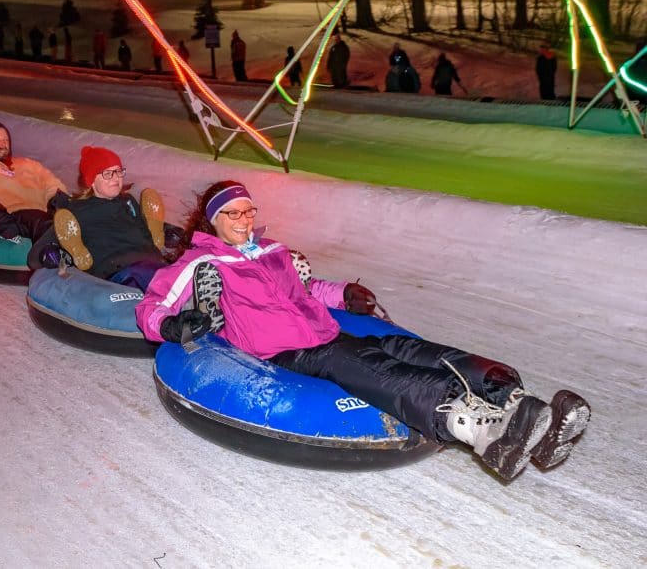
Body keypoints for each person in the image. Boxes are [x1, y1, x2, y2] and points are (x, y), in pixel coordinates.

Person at [136, 181, 590, 481]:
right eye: (232, 213)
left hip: (323, 330)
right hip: (284, 351)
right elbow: (153, 305)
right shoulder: (204, 261)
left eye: (247, 210)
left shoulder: (271, 250)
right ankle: (481, 428)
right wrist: (171, 323)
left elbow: (307, 288)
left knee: (411, 349)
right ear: (212, 220)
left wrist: (344, 293)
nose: (243, 219)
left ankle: (517, 404)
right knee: (375, 369)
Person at [43, 146, 168, 292]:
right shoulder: (74, 211)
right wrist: (60, 253)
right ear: (91, 180)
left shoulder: (128, 200)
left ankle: (156, 237)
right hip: (117, 271)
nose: (116, 178)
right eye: (108, 173)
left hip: (151, 262)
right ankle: (81, 255)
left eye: (119, 171)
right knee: (161, 282)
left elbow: (142, 234)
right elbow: (35, 256)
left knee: (184, 273)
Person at [0, 121, 68, 241]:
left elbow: (50, 182)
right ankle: (54, 255)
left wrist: (55, 198)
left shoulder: (29, 164)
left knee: (77, 213)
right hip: (13, 216)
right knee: (40, 221)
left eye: (6, 140)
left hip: (44, 214)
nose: (3, 143)